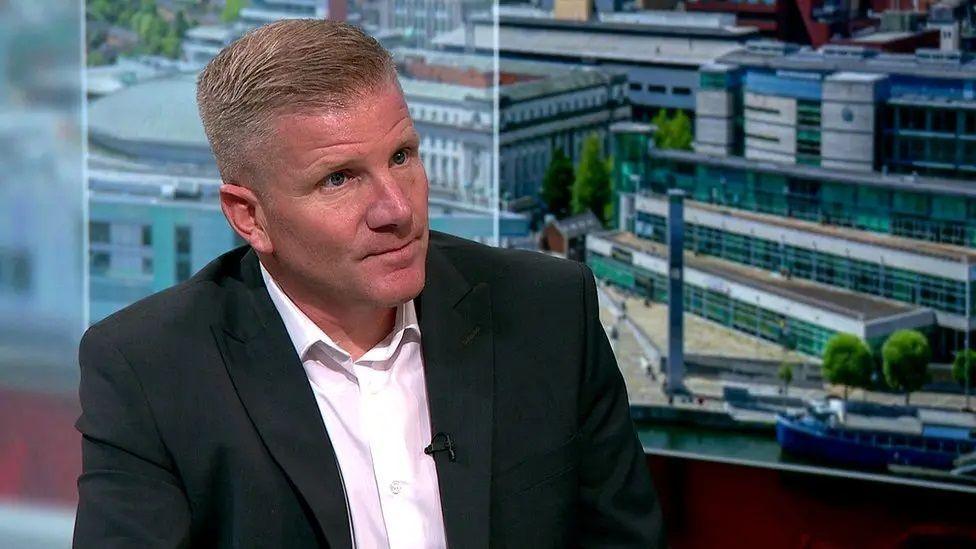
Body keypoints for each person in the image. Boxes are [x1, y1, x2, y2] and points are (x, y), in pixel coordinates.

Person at [73, 19, 664, 548]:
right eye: (339, 179)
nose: (396, 208)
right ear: (250, 217)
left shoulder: (548, 311)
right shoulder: (149, 371)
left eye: (402, 156)